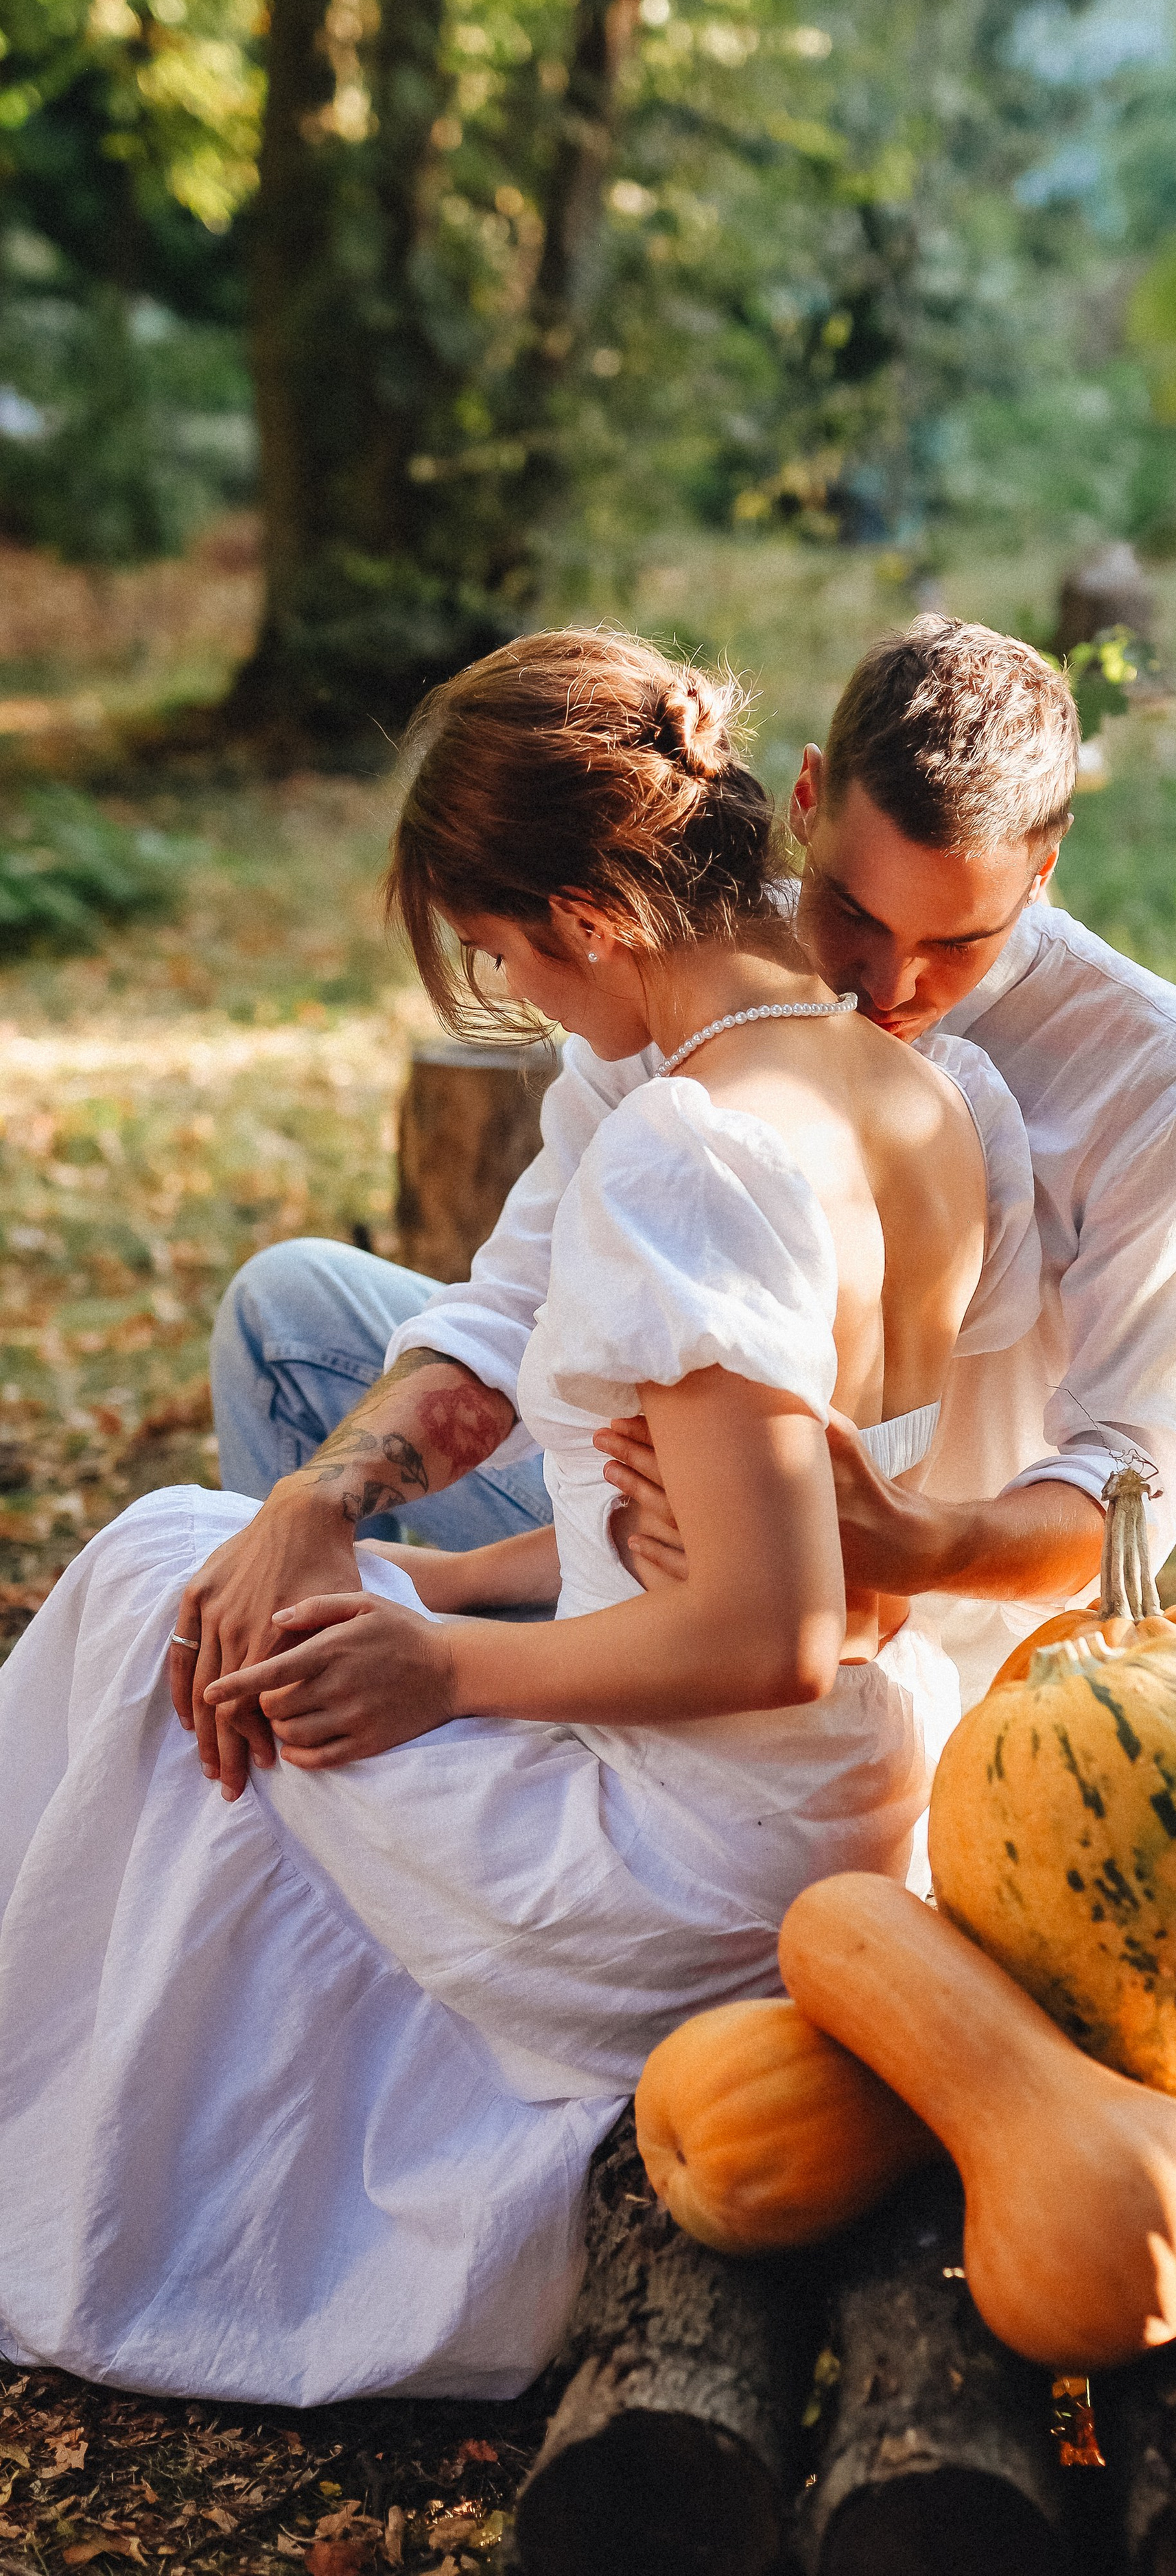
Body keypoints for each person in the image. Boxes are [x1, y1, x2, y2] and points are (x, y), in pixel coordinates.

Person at [0, 630, 1040, 2405]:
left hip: (698, 1851)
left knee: (147, 1602)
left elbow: (766, 1632)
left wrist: (440, 1675)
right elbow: (708, 1539)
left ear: (584, 912)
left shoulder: (691, 1145)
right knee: (198, 1556)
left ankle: (109, 2171)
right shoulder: (932, 1098)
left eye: (497, 959)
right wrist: (414, 1563)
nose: (524, 1001)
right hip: (849, 1792)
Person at [196, 617, 1176, 1750]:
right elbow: (514, 1308)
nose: (886, 980)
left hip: (919, 1651)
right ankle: (317, 1693)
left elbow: (1131, 1480)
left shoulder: (1157, 1072)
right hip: (666, 1544)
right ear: (806, 802)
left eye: (958, 941)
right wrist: (326, 1500)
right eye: (848, 907)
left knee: (153, 1609)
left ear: (1043, 871)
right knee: (287, 1317)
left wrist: (906, 1535)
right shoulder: (694, 963)